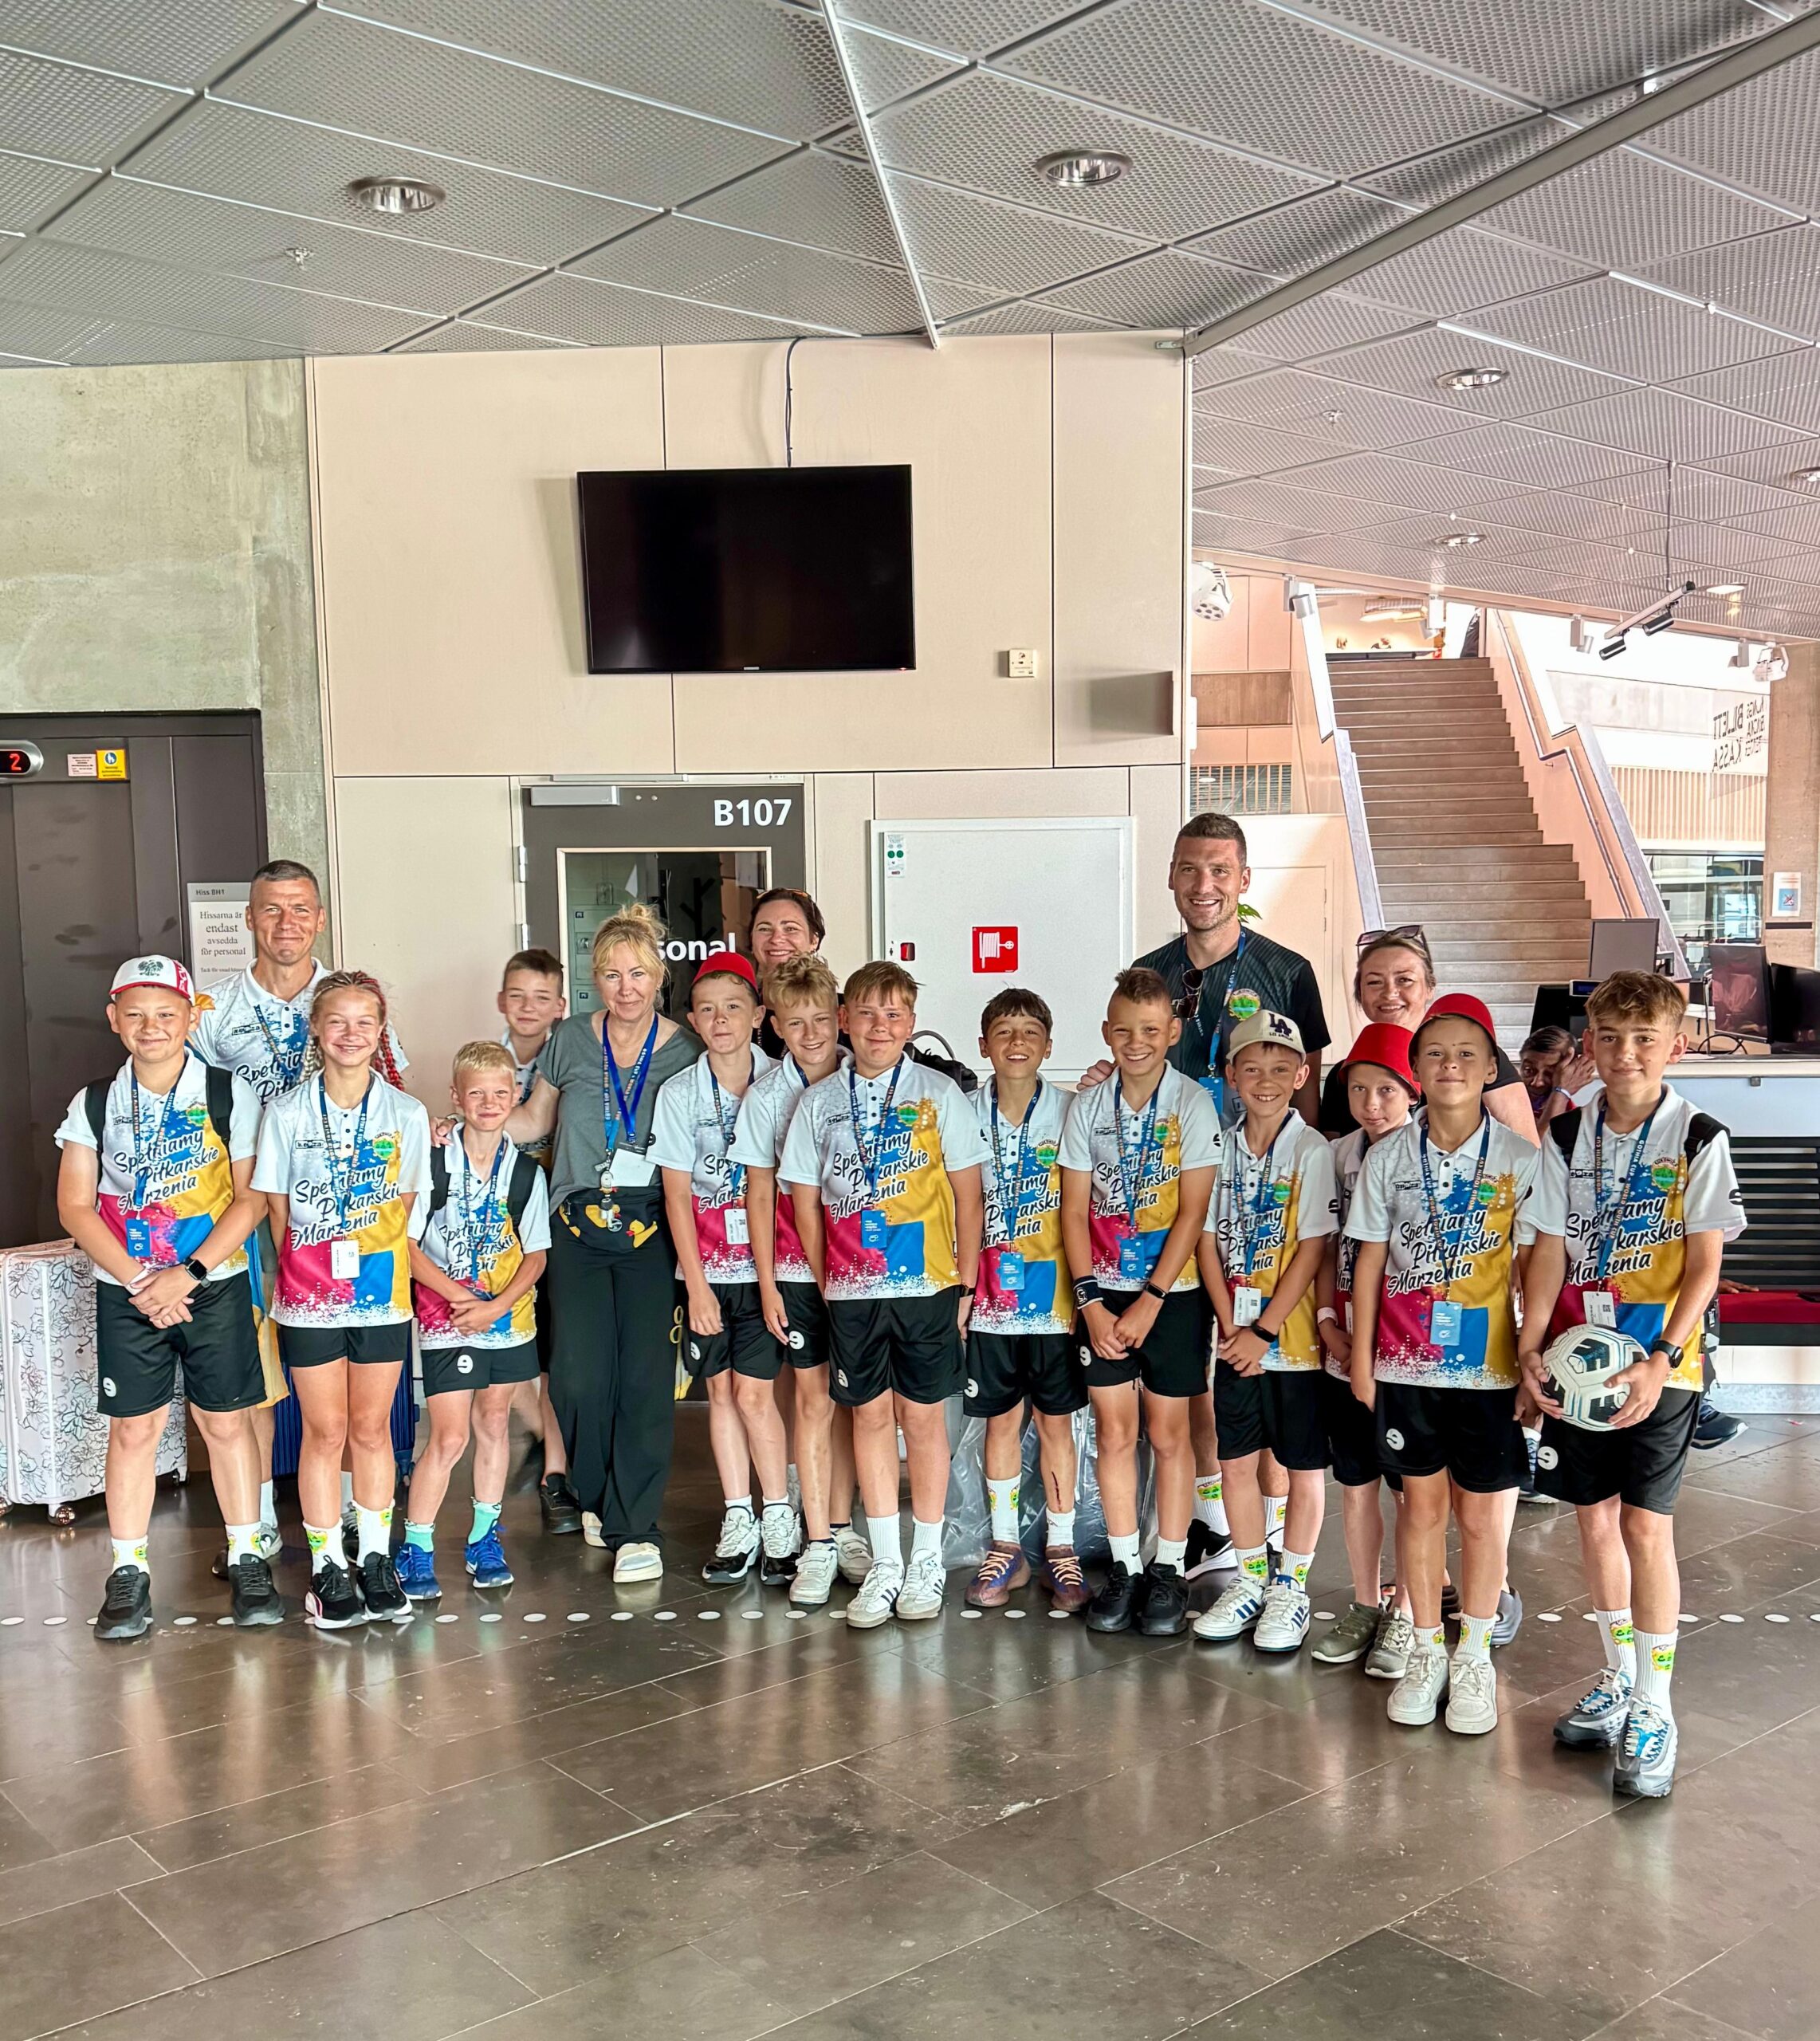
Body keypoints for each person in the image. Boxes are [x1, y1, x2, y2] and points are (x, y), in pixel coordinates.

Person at [1519, 972, 1743, 1799]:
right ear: (1589, 1044)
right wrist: (1530, 1347)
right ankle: (1618, 1674)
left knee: (1646, 1526)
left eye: (1644, 1038)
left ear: (1673, 1046)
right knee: (1594, 1520)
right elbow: (1548, 1246)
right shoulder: (1565, 1133)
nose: (1625, 1054)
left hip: (1658, 1366)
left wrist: (1663, 1355)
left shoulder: (1698, 1136)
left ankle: (1655, 1703)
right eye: (1610, 1038)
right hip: (1578, 1362)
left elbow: (1706, 1262)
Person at [191, 857, 408, 1563]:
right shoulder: (213, 1012)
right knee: (250, 1378)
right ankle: (252, 1527)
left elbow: (395, 1095)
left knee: (347, 1395)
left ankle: (347, 1521)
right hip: (243, 1214)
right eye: (271, 909)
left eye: (301, 909)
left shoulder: (351, 999)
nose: (287, 923)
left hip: (338, 1217)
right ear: (249, 919)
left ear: (320, 918)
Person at [56, 956, 277, 1640]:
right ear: (113, 1020)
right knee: (134, 1430)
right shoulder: (95, 1102)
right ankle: (128, 1572)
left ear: (190, 1017)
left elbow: (252, 1199)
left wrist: (190, 1273)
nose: (151, 1027)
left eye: (166, 1013)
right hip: (128, 1289)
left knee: (227, 1423)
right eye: (136, 1014)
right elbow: (75, 1206)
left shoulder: (227, 1093)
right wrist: (139, 1280)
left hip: (213, 1284)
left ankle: (246, 1557)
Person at [1346, 993, 1539, 1736]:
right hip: (1405, 1368)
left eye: (1465, 1054)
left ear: (1490, 1069)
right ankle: (1426, 1649)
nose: (1449, 1065)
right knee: (1419, 1512)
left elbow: (1533, 1268)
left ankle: (1474, 1655)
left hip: (1489, 1374)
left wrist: (1529, 1361)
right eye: (1433, 1054)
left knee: (1482, 1519)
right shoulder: (1389, 1158)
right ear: (1415, 1071)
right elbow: (1368, 1262)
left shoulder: (1520, 1160)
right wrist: (1363, 1358)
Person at [779, 961, 985, 1630]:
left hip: (927, 1285)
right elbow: (804, 1201)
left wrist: (965, 1282)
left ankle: (926, 1559)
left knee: (922, 1420)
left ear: (911, 1024)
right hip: (851, 1293)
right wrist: (827, 1278)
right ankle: (887, 1561)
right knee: (868, 1418)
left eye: (893, 1015)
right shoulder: (818, 1103)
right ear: (844, 1019)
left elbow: (967, 1195)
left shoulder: (938, 1094)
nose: (879, 1027)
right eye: (866, 1013)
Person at [505, 905, 700, 1580]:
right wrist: (471, 1121)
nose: (626, 988)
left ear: (659, 977)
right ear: (596, 980)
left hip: (652, 1224)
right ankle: (594, 1492)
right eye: (612, 975)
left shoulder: (684, 1051)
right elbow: (535, 1120)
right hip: (576, 1225)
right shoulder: (568, 1040)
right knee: (579, 1376)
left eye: (638, 974)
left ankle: (636, 1528)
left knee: (643, 1378)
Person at [252, 970, 430, 1629]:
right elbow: (276, 1212)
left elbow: (405, 1209)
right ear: (316, 1030)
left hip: (380, 1298)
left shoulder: (405, 1114)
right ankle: (328, 1568)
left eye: (364, 1022)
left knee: (372, 1430)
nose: (350, 1034)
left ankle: (376, 1558)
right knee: (324, 1433)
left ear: (381, 1032)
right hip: (308, 1299)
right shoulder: (286, 1113)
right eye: (337, 1021)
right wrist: (310, 1274)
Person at [1059, 967, 1218, 1638]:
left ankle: (1169, 1569)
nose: (1136, 1042)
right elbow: (1072, 1211)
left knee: (1170, 1435)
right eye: (1123, 1030)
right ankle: (1125, 1567)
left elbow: (1192, 1213)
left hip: (1172, 1297)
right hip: (1103, 1295)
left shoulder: (1192, 1104)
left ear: (1172, 1032)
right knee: (1114, 1433)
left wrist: (1151, 1299)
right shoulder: (1087, 1109)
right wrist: (1091, 1304)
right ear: (1106, 1032)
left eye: (1150, 1030)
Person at [652, 954, 799, 1589]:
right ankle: (738, 1516)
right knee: (719, 1393)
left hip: (770, 1269)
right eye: (707, 1010)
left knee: (756, 1395)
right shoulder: (679, 1093)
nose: (720, 1020)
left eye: (734, 1007)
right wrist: (696, 1285)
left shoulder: (785, 1085)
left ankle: (779, 1516)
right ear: (691, 1020)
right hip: (708, 1273)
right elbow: (675, 1194)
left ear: (759, 1015)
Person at [1193, 1013, 1338, 1654]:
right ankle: (1251, 1577)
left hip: (1294, 1345)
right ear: (1230, 1075)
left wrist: (1263, 1329)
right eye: (1251, 1068)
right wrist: (1232, 1327)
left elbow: (1312, 1249)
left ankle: (1290, 1587)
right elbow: (1202, 1239)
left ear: (1302, 1075)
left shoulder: (1311, 1152)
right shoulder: (1217, 1148)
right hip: (1234, 1341)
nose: (1265, 1080)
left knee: (1302, 1467)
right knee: (1234, 1461)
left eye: (1281, 1069)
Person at [395, 1042, 550, 1603]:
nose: (488, 1103)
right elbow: (406, 1245)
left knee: (494, 1420)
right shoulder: (432, 1161)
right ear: (456, 1097)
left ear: (516, 1096)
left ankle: (485, 1538)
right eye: (476, 1093)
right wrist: (462, 1298)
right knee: (450, 1434)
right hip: (448, 1318)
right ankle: (416, 1545)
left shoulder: (525, 1173)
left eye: (500, 1093)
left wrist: (496, 1305)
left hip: (507, 1318)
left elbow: (536, 1255)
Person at [730, 953, 859, 1605]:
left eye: (820, 1020)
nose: (810, 1034)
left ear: (840, 1018)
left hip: (859, 1269)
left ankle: (844, 1525)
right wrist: (767, 1283)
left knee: (852, 1402)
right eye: (794, 1022)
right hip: (793, 1270)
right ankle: (818, 1540)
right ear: (774, 1026)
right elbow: (757, 1193)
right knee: (811, 1399)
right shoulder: (766, 1097)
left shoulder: (864, 1079)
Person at [963, 989, 1088, 1614]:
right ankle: (1006, 1546)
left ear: (1048, 1045)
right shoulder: (961, 1112)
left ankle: (1061, 1547)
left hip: (1055, 1299)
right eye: (1004, 1032)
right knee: (1001, 1420)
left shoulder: (1071, 1112)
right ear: (982, 1045)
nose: (1017, 1042)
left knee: (1055, 1422)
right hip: (988, 1298)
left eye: (1030, 1032)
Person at [1311, 1023, 1418, 1674]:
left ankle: (1406, 1609)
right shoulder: (1336, 1155)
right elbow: (1324, 1246)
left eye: (1385, 1090)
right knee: (1354, 1484)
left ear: (1411, 1091)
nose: (1371, 1104)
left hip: (1405, 1353)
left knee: (1410, 1493)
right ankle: (1364, 1603)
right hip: (1343, 1343)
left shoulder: (1428, 1155)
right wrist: (1328, 1323)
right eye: (1357, 1090)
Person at [496, 947, 580, 1533]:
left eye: (541, 998)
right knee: (507, 1349)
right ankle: (544, 1436)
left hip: (556, 1220)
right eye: (518, 996)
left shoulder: (571, 1060)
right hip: (496, 1227)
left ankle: (556, 1469)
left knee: (550, 1353)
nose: (528, 1008)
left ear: (560, 1006)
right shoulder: (485, 1062)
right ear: (501, 1001)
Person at [1319, 929, 1535, 1143]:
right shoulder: (1344, 1074)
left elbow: (1526, 1150)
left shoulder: (1475, 1058)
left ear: (1430, 988)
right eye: (1374, 982)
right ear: (1360, 992)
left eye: (1404, 980)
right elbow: (1335, 1158)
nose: (1389, 993)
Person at [1519, 1024, 1577, 1135]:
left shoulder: (1574, 1119)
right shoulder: (1504, 1104)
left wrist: (1560, 1092)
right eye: (1528, 1070)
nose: (1537, 1083)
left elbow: (1541, 1144)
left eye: (1550, 1074)